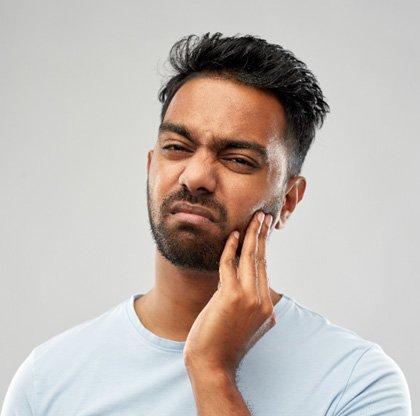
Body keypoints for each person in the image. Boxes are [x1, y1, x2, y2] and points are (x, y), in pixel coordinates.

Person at [1, 33, 411, 416]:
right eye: (177, 148)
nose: (195, 175)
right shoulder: (46, 382)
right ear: (150, 168)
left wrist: (212, 371)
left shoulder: (355, 382)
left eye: (237, 159)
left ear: (288, 200)